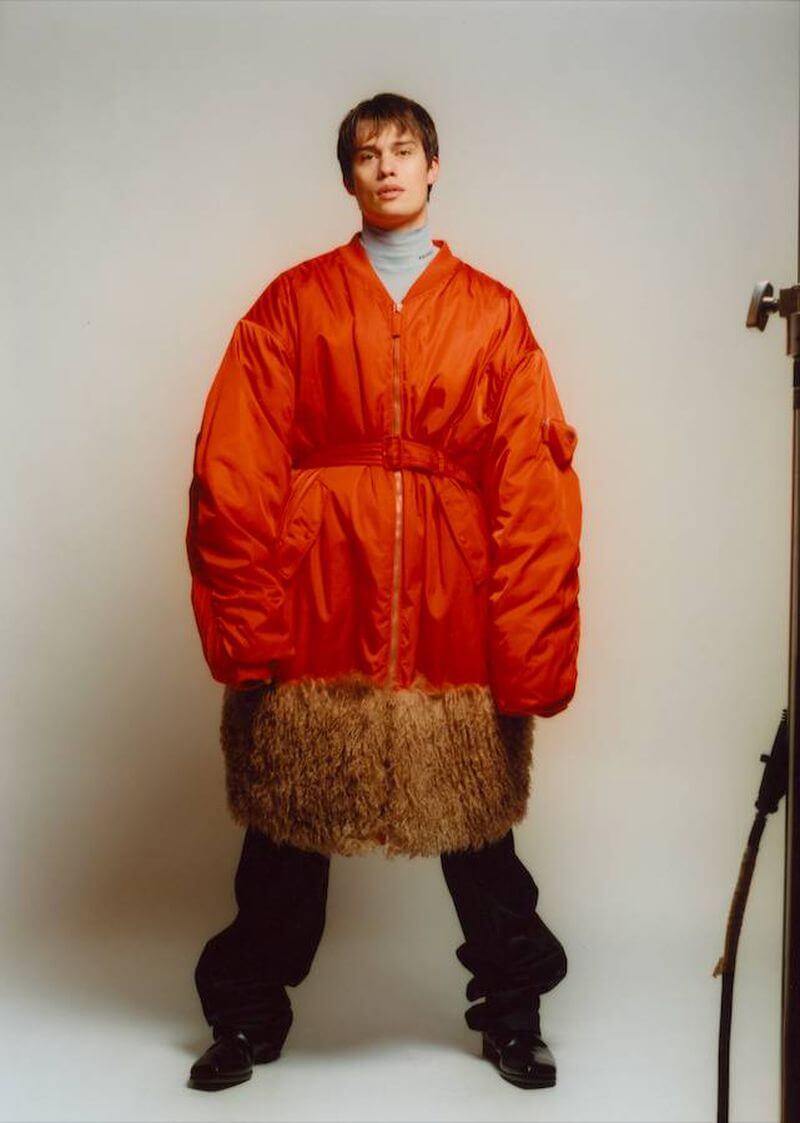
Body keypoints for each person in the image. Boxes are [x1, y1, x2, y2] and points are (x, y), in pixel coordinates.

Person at [184, 91, 582, 1092]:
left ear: (433, 167)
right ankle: (244, 1016)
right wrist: (247, 628)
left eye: (405, 150)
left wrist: (530, 646)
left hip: (448, 608)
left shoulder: (490, 311)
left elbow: (534, 484)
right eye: (368, 154)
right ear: (348, 177)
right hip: (320, 598)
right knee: (284, 834)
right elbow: (233, 466)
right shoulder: (293, 303)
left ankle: (513, 1012)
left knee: (479, 838)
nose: (388, 167)